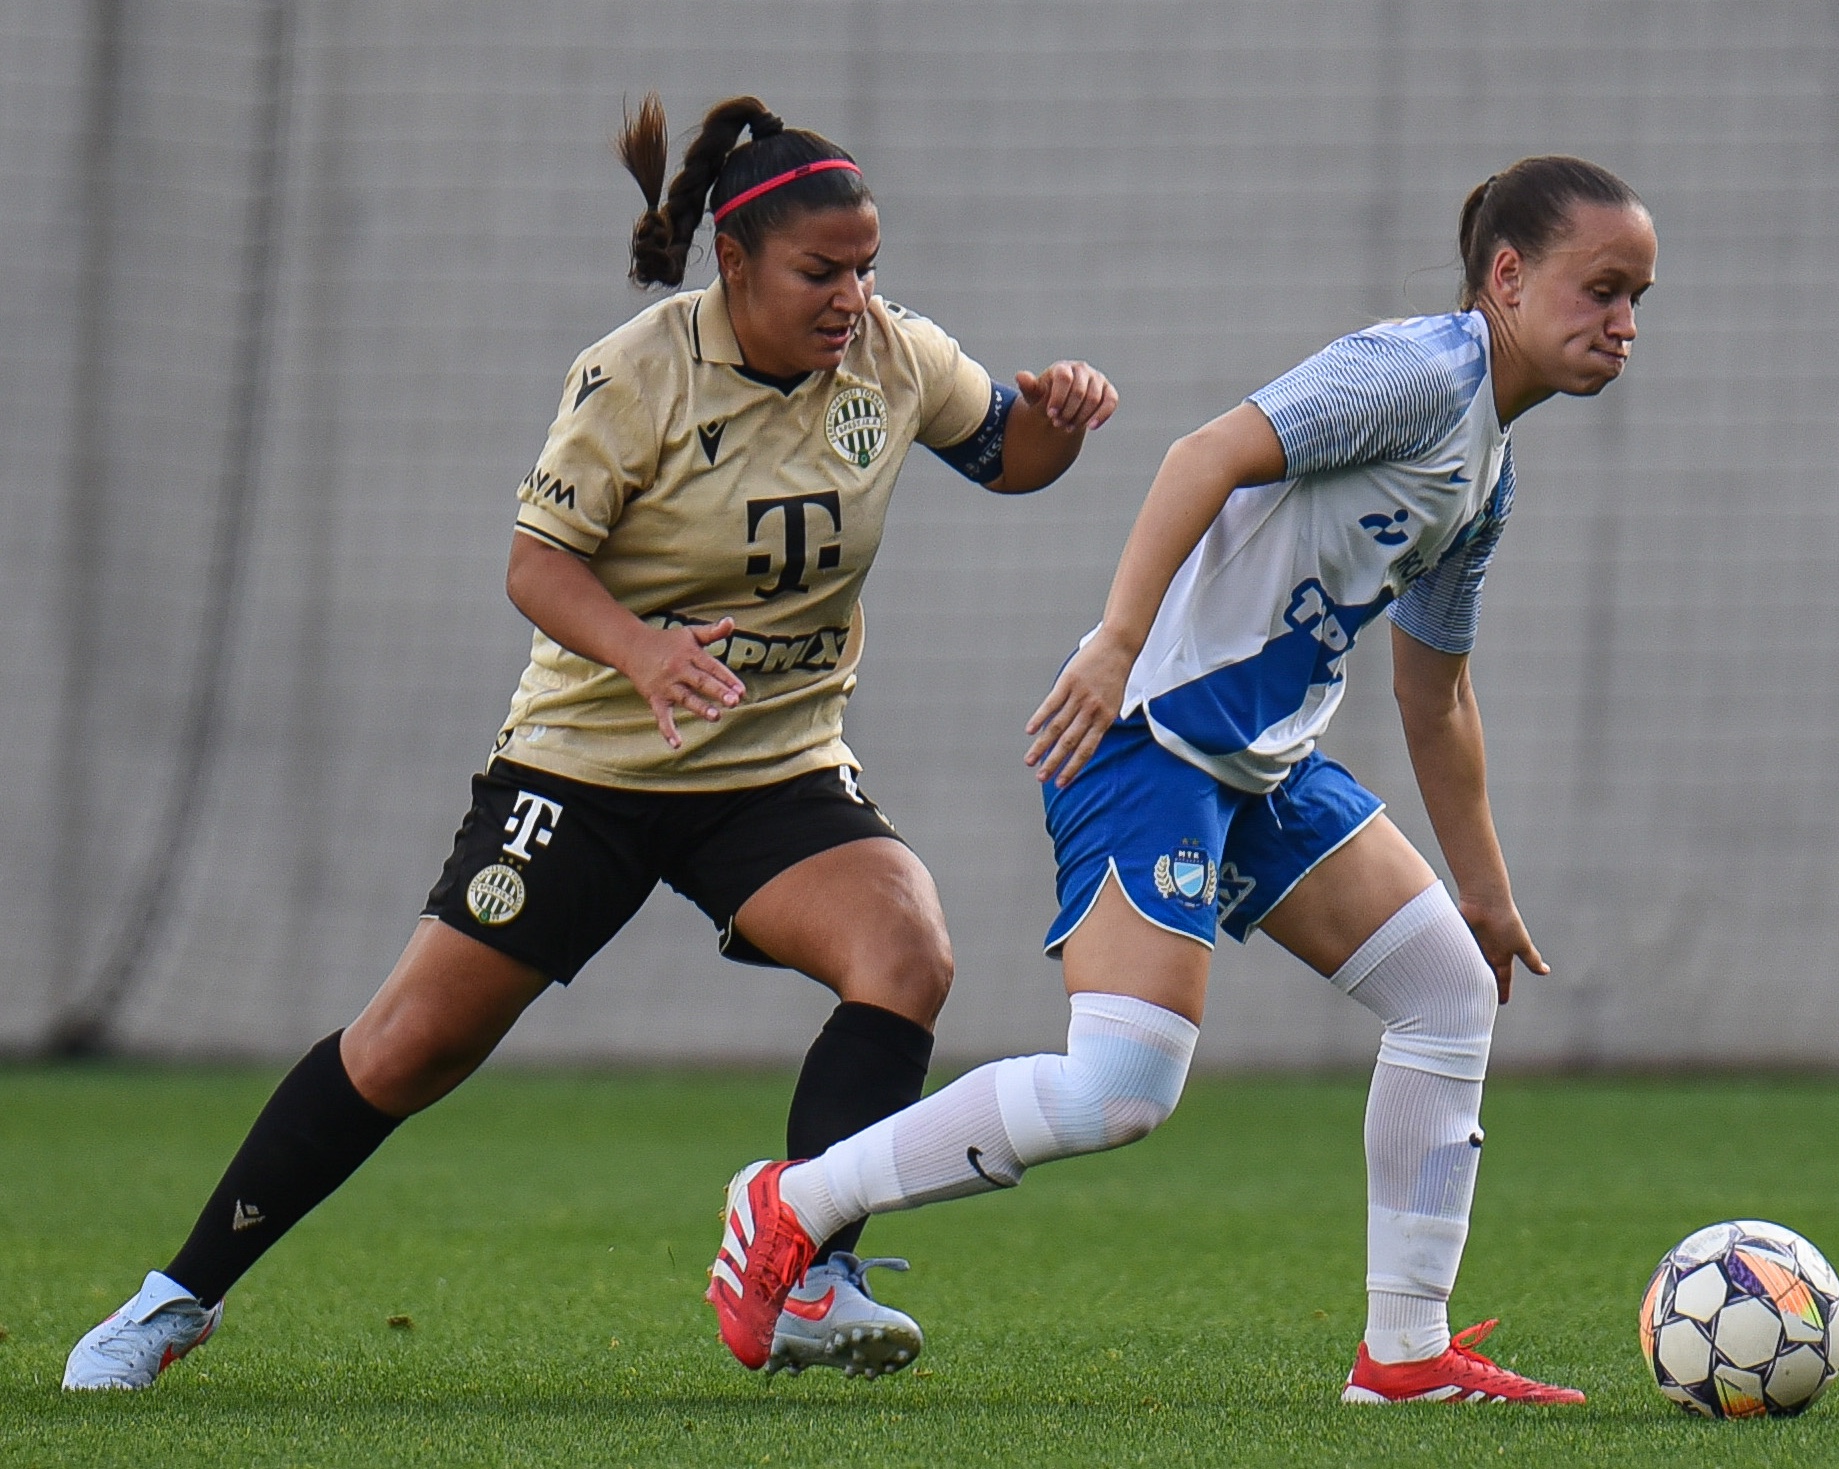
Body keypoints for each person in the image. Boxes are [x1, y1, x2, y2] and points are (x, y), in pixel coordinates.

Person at [63, 93, 1118, 1390]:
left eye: (865, 266)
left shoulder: (890, 358)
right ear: (733, 263)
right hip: (588, 769)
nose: (851, 294)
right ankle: (175, 1300)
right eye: (819, 270)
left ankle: (806, 1274)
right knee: (410, 1046)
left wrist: (1055, 421)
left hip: (767, 768)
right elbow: (536, 567)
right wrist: (643, 650)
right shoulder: (636, 373)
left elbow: (1005, 453)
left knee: (905, 949)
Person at [698, 157, 1655, 1404]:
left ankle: (1405, 1355)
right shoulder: (1417, 376)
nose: (1623, 323)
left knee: (1446, 992)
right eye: (1601, 289)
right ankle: (791, 1202)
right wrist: (1112, 641)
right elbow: (1203, 454)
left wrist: (1484, 890)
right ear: (1509, 276)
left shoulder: (1488, 470)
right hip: (1145, 734)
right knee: (1120, 1088)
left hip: (1259, 764)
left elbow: (1437, 690)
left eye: (1638, 298)